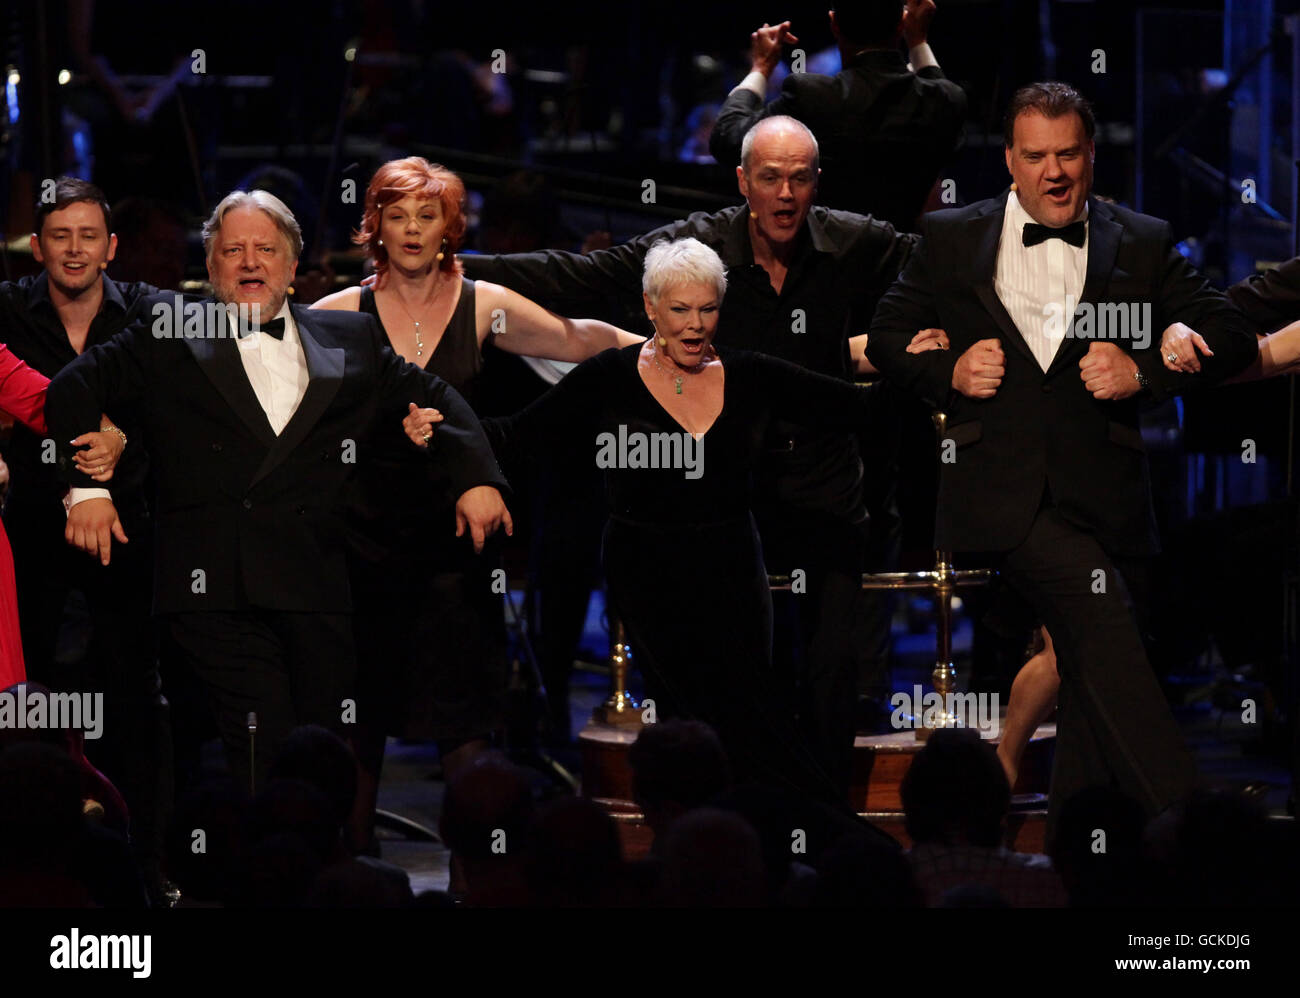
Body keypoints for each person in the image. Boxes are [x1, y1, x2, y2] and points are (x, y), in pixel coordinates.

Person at [463, 116, 917, 799]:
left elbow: (875, 385)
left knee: (821, 689)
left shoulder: (838, 264)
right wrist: (449, 273)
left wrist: (925, 353)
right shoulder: (655, 313)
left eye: (799, 178)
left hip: (817, 507)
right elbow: (573, 290)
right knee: (716, 700)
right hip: (702, 537)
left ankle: (815, 836)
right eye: (769, 178)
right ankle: (704, 826)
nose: (786, 193)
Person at [867, 82, 1258, 840]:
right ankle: (1199, 833)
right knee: (1101, 616)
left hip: (1108, 497)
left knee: (1087, 686)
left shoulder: (1139, 240)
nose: (1053, 172)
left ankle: (1081, 860)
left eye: (1068, 154)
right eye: (1036, 156)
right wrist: (946, 372)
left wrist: (1145, 371)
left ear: (1089, 155)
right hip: (1002, 498)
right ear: (1010, 161)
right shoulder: (951, 237)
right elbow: (886, 335)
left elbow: (1231, 337)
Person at [45, 189, 512, 794]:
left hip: (318, 583)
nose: (249, 263)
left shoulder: (351, 339)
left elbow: (437, 397)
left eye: (266, 249)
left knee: (319, 756)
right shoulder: (169, 334)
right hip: (215, 589)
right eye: (232, 250)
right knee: (261, 749)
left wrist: (475, 475)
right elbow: (71, 389)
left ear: (293, 268)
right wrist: (87, 491)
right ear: (210, 269)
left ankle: (312, 877)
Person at [311, 156, 642, 852]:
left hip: (456, 554)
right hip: (366, 550)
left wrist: (670, 346)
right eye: (395, 215)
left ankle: (479, 882)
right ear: (374, 225)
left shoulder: (482, 301)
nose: (410, 229)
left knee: (464, 728)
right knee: (359, 731)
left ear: (449, 227)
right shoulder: (342, 312)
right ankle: (348, 881)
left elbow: (578, 341)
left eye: (425, 216)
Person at [0, 176, 168, 897]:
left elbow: (45, 399)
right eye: (59, 235)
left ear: (112, 246)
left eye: (88, 234)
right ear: (36, 247)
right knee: (26, 704)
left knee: (131, 700)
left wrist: (111, 444)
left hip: (125, 538)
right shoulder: (5, 310)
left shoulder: (151, 313)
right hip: (30, 536)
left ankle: (142, 865)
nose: (74, 249)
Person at [709, 1, 966, 231]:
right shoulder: (944, 101)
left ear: (834, 24)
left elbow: (727, 139)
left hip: (826, 268)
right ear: (901, 24)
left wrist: (761, 67)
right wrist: (918, 41)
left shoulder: (812, 96)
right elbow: (942, 91)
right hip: (904, 265)